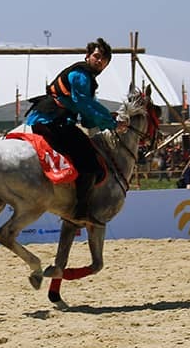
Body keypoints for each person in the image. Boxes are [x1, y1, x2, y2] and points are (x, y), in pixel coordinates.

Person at [25, 37, 127, 221]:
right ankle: (80, 212)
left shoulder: (85, 76)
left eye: (104, 59)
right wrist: (110, 124)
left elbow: (88, 109)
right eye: (97, 56)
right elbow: (84, 104)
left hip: (50, 119)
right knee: (91, 163)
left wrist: (101, 119)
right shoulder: (81, 75)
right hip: (52, 120)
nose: (99, 60)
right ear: (87, 56)